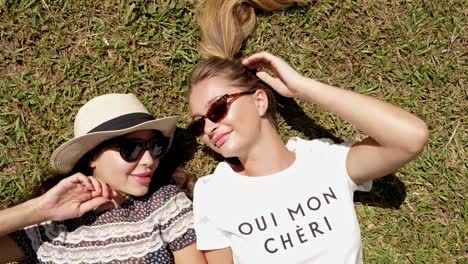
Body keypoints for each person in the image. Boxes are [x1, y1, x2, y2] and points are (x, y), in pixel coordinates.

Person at [187, 0, 429, 263]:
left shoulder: (322, 160)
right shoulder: (214, 193)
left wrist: (302, 88)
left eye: (217, 109)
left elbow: (410, 138)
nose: (209, 128)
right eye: (199, 124)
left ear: (259, 101)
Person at [0, 93, 207, 264]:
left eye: (155, 146)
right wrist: (38, 210)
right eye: (132, 148)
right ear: (92, 156)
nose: (149, 160)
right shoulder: (52, 226)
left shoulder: (164, 205)